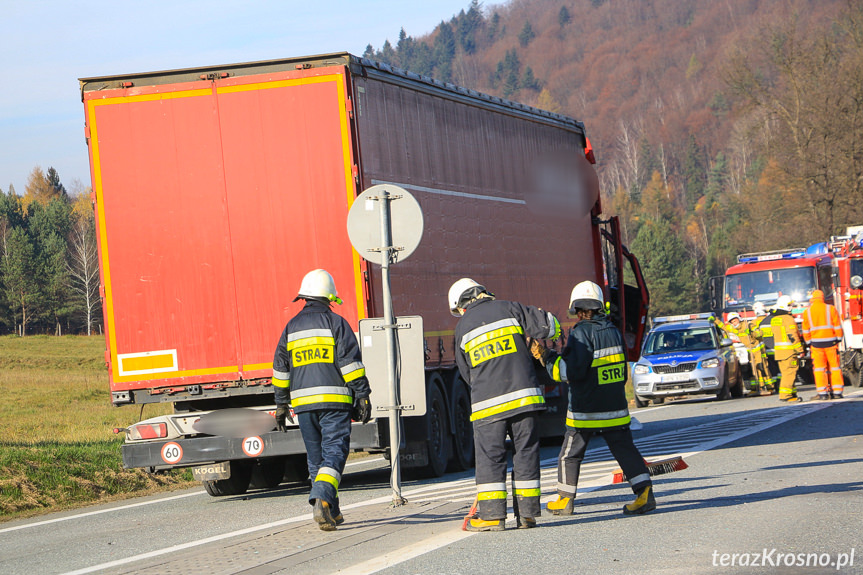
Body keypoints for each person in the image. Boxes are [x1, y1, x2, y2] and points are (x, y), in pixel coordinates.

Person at [533, 281, 656, 517]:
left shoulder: (580, 333)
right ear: (599, 306)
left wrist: (547, 357)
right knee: (625, 450)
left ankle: (564, 500)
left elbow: (570, 372)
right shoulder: (614, 331)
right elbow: (621, 373)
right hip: (615, 409)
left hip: (585, 411)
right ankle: (644, 494)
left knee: (570, 454)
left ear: (578, 310)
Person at [449, 278, 561, 531]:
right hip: (525, 399)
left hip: (488, 406)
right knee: (526, 453)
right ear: (484, 294)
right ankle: (528, 514)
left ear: (461, 306)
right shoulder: (511, 308)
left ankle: (492, 517)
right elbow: (551, 326)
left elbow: (466, 372)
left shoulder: (463, 327)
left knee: (491, 459)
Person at [272, 269, 372, 531]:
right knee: (334, 454)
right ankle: (321, 500)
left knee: (317, 460)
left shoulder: (291, 327)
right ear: (329, 297)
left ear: (304, 296)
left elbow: (281, 369)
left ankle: (331, 511)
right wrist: (362, 394)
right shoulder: (336, 323)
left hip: (303, 407)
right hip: (334, 404)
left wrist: (281, 404)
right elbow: (350, 364)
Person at [711, 312, 771, 395]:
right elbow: (723, 327)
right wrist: (715, 320)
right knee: (751, 370)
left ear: (739, 319)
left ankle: (768, 387)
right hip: (749, 351)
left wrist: (751, 332)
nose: (734, 323)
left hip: (757, 349)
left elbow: (760, 334)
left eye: (735, 321)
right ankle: (755, 388)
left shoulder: (748, 325)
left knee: (760, 367)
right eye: (732, 322)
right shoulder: (732, 328)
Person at [801, 290, 844, 400]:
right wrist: (838, 339)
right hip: (831, 343)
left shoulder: (807, 311)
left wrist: (809, 342)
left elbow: (805, 330)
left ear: (812, 298)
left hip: (816, 345)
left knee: (819, 369)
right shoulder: (831, 309)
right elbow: (837, 326)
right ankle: (837, 392)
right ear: (822, 297)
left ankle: (823, 393)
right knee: (835, 367)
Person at [761, 296, 804, 402]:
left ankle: (792, 394)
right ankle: (785, 396)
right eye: (790, 305)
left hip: (780, 353)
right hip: (789, 352)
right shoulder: (788, 319)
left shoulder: (774, 319)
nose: (791, 307)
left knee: (786, 373)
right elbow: (792, 335)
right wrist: (800, 350)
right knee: (790, 374)